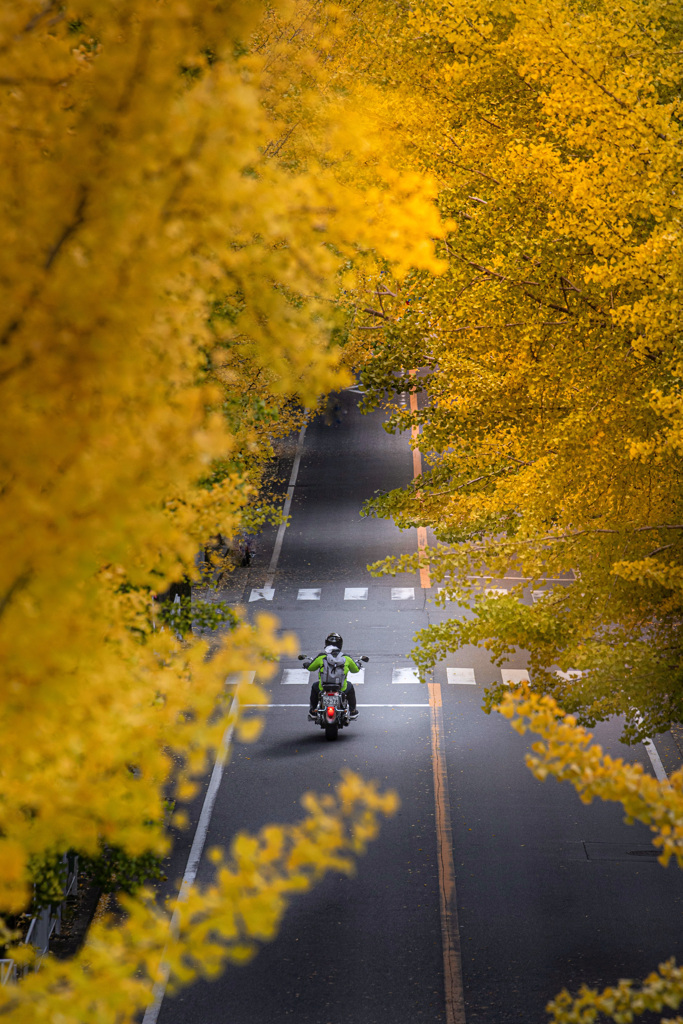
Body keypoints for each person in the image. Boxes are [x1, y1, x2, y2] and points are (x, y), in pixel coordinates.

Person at [305, 632, 360, 720]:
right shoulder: (346, 658)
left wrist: (307, 665)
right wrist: (358, 664)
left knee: (314, 687)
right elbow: (355, 670)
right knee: (350, 687)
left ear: (326, 643)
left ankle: (314, 710)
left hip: (323, 688)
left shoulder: (321, 657)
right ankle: (353, 711)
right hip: (341, 688)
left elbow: (311, 668)